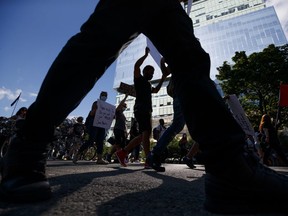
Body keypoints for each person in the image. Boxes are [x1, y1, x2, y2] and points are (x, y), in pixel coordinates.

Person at [1, 0, 288, 213]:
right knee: (102, 38)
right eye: (149, 72)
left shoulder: (151, 82)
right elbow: (139, 70)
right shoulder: (139, 75)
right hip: (139, 111)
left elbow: (159, 80)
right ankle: (29, 142)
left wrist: (162, 72)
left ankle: (229, 166)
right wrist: (141, 62)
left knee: (190, 57)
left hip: (150, 93)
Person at [115, 47, 169, 168]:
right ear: (145, 72)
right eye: (150, 72)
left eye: (153, 72)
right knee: (146, 132)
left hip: (146, 110)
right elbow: (136, 66)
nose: (151, 74)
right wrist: (145, 55)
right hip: (141, 109)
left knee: (143, 136)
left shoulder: (148, 84)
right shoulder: (139, 79)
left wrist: (163, 78)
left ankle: (123, 152)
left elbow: (155, 90)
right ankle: (149, 159)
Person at [72, 91, 109, 165]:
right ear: (100, 95)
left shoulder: (106, 106)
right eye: (103, 95)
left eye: (105, 95)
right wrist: (97, 109)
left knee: (100, 141)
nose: (104, 96)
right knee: (90, 141)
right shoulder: (96, 103)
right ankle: (77, 154)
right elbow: (92, 113)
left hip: (101, 125)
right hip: (94, 124)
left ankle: (99, 159)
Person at [106, 94, 128, 162]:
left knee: (123, 144)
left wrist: (125, 131)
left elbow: (124, 124)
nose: (124, 107)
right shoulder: (117, 111)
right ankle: (109, 155)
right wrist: (125, 97)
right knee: (118, 143)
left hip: (122, 130)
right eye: (124, 106)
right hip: (117, 129)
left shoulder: (123, 114)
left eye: (125, 107)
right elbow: (120, 104)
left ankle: (117, 157)